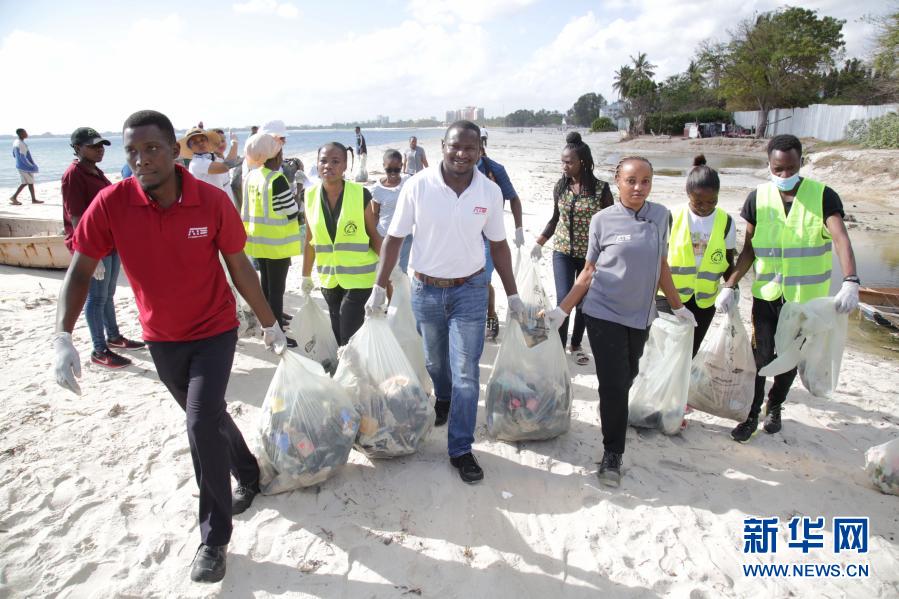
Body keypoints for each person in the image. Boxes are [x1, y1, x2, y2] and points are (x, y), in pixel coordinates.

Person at [52, 110, 288, 584]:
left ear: (173, 149)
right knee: (210, 416)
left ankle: (214, 540)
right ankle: (248, 471)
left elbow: (239, 266)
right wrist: (63, 335)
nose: (141, 159)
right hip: (161, 338)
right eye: (132, 151)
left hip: (215, 330)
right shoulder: (111, 203)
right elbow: (80, 270)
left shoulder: (209, 200)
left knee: (199, 422)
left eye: (152, 149)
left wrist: (270, 324)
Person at [365, 121, 526, 484]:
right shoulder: (418, 186)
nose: (462, 154)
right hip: (425, 290)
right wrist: (378, 287)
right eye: (455, 146)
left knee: (467, 373)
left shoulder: (488, 191)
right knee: (436, 363)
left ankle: (460, 448)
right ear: (442, 145)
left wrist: (513, 294)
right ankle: (443, 396)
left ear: (480, 150)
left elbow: (498, 245)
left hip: (470, 290)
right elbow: (394, 238)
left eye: (470, 148)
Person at [543, 156, 698, 487]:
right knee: (614, 384)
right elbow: (588, 271)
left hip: (641, 316)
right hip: (603, 312)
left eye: (645, 181)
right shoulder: (602, 220)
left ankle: (612, 411)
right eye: (631, 181)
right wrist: (563, 310)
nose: (638, 187)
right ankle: (612, 453)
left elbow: (662, 265)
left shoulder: (661, 216)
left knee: (627, 376)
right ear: (618, 182)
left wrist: (678, 306)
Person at [719, 135, 859, 443]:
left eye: (791, 168)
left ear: (801, 163)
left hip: (804, 301)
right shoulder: (758, 198)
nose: (785, 175)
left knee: (790, 357)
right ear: (768, 165)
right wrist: (730, 285)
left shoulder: (822, 196)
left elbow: (840, 239)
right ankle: (751, 414)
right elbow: (749, 250)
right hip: (767, 296)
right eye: (778, 169)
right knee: (760, 357)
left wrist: (850, 280)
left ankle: (775, 405)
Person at [61, 126, 146, 368]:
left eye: (101, 146)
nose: (99, 150)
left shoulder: (95, 171)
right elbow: (76, 216)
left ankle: (114, 337)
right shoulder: (74, 174)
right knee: (96, 297)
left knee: (108, 294)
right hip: (92, 246)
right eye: (93, 146)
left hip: (109, 241)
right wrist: (89, 252)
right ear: (78, 148)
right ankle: (99, 349)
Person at [531, 132, 613, 365]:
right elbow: (555, 218)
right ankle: (558, 348)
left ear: (582, 162)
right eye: (562, 162)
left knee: (584, 304)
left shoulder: (601, 189)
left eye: (569, 162)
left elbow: (611, 224)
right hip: (563, 252)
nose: (564, 166)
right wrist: (539, 242)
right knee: (565, 299)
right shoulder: (561, 186)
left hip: (591, 257)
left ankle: (576, 344)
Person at [655, 155, 736, 357]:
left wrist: (731, 288)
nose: (705, 206)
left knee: (689, 352)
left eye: (712, 201)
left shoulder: (726, 222)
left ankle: (683, 379)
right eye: (698, 201)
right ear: (688, 194)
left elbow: (728, 261)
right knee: (665, 351)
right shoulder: (671, 217)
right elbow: (657, 260)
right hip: (668, 296)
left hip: (704, 301)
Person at [302, 142, 381, 345]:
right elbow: (310, 240)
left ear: (345, 165)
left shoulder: (360, 194)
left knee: (348, 330)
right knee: (337, 330)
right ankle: (348, 363)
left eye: (335, 161)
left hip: (360, 277)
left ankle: (349, 363)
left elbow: (373, 234)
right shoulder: (309, 196)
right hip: (329, 278)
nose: (328, 165)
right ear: (317, 164)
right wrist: (305, 275)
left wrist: (389, 271)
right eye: (323, 161)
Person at [241, 133, 302, 348]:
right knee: (276, 291)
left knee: (266, 287)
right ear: (274, 156)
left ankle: (267, 326)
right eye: (280, 154)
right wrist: (299, 191)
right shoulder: (276, 179)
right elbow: (292, 211)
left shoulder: (251, 176)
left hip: (258, 241)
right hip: (277, 244)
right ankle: (277, 335)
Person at [478, 141, 524, 341]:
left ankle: (490, 315)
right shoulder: (456, 171)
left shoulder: (495, 170)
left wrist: (519, 227)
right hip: (464, 237)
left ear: (480, 149)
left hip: (489, 236)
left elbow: (513, 198)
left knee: (483, 279)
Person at [371, 149, 413, 273]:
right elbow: (374, 214)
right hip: (385, 235)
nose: (393, 173)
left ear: (401, 166)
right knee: (385, 270)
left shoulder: (408, 181)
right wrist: (373, 237)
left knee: (402, 270)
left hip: (405, 235)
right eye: (389, 169)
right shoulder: (377, 189)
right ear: (383, 166)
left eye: (397, 169)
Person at [180, 128, 235, 194]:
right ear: (190, 147)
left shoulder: (211, 157)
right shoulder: (196, 163)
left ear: (207, 141)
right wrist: (234, 143)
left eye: (202, 139)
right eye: (195, 142)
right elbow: (226, 166)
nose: (200, 143)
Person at [10, 128, 42, 204]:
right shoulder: (20, 144)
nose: (26, 134)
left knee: (28, 182)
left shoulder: (16, 142)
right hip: (24, 167)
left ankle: (32, 199)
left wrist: (19, 162)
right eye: (25, 132)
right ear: (20, 134)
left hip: (20, 165)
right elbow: (23, 157)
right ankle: (14, 197)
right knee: (28, 182)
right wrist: (31, 166)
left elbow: (14, 154)